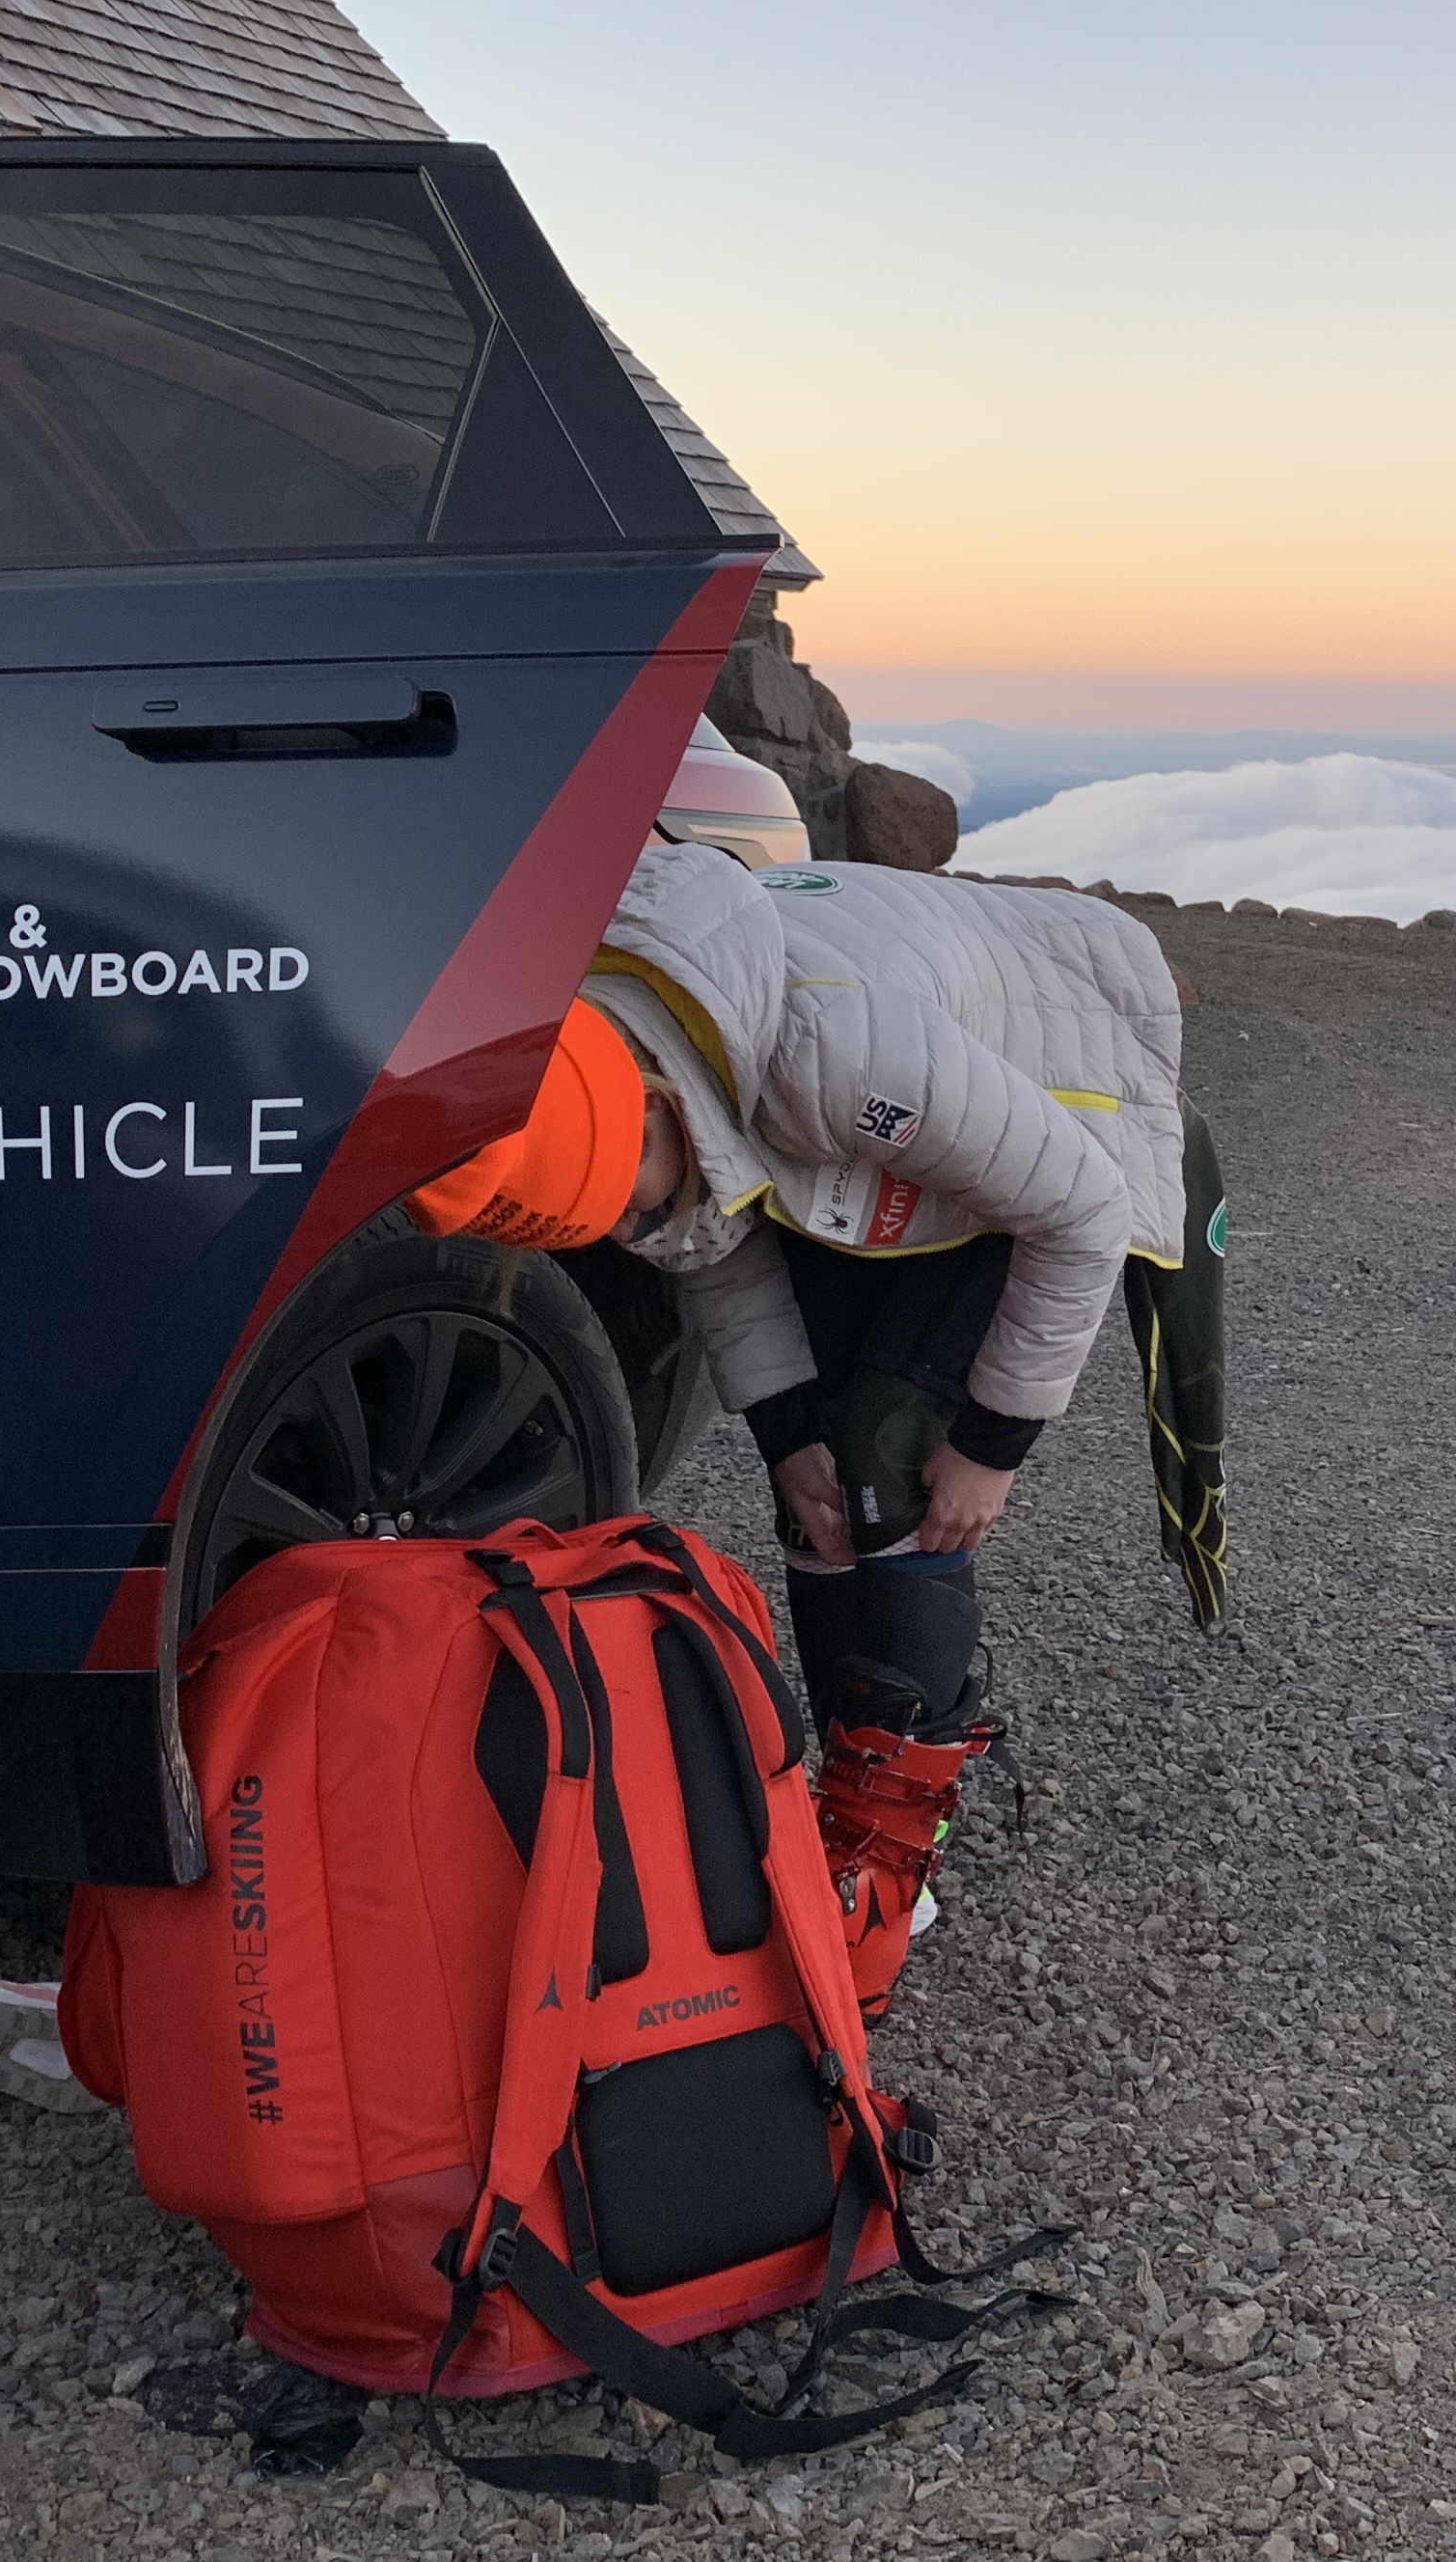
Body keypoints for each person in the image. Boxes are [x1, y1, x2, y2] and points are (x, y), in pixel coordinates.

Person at [416, 843, 1226, 2012]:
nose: (639, 1231)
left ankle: (894, 1856)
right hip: (862, 1119)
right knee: (822, 1492)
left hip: (1048, 1096)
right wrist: (785, 1430)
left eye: (632, 1202)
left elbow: (1083, 1211)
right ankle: (853, 1785)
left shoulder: (834, 1063)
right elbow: (703, 1231)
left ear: (655, 1101)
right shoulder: (605, 1044)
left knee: (893, 1461)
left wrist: (992, 1444)